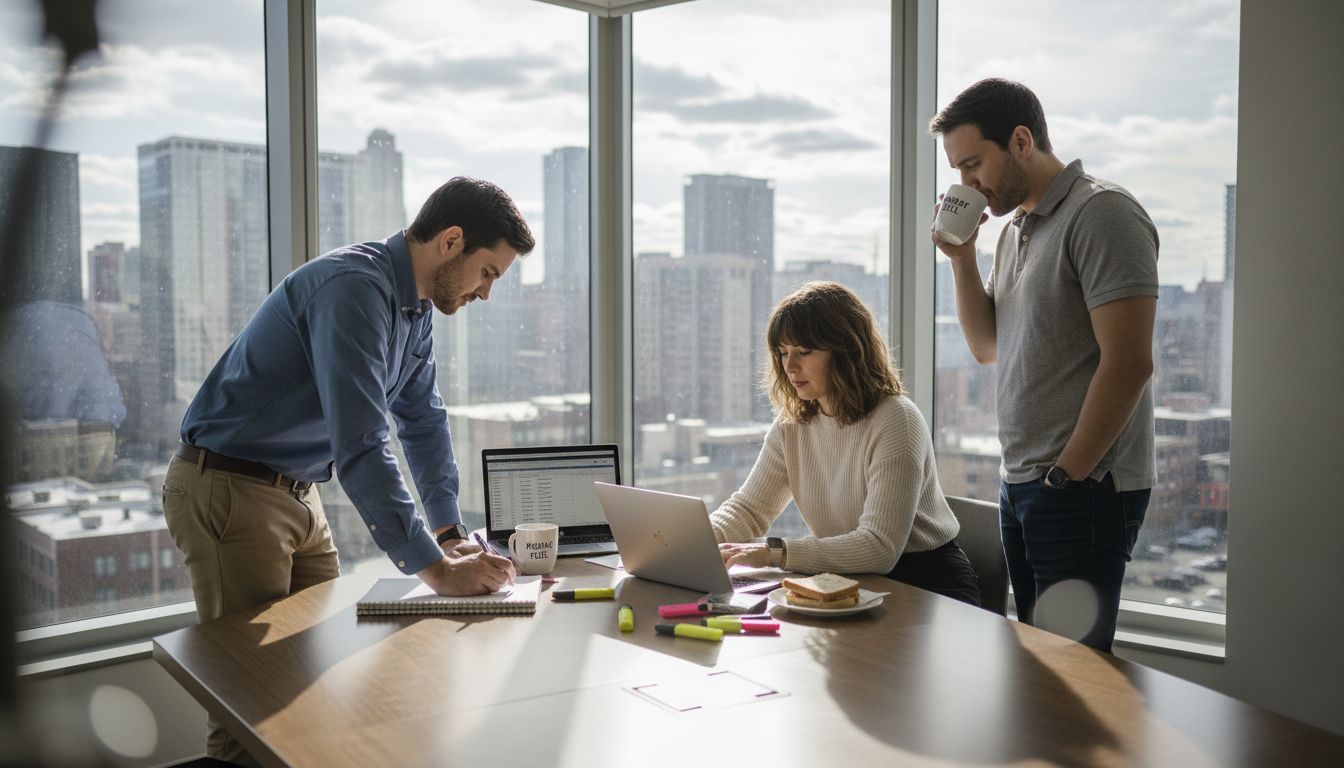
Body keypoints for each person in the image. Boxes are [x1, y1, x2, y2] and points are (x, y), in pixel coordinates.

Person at [163, 176, 533, 764]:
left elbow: (423, 422)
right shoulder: (354, 290)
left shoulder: (413, 310)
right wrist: (437, 573)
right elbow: (362, 442)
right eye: (487, 272)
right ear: (452, 241)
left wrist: (449, 534)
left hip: (298, 492)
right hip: (232, 489)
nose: (486, 293)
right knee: (249, 707)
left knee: (323, 686)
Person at [928, 78, 1158, 652]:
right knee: (1037, 665)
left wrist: (1067, 476)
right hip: (1023, 482)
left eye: (974, 163)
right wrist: (962, 259)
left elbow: (1129, 364)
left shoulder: (1102, 213)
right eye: (958, 170)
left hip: (1081, 487)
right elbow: (986, 347)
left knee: (1074, 669)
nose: (967, 184)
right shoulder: (1014, 234)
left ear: (1022, 140)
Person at [711, 281, 981, 606]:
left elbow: (878, 548)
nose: (789, 366)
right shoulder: (792, 425)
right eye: (783, 353)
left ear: (845, 350)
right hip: (845, 583)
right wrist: (688, 542)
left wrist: (773, 552)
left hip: (927, 588)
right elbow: (750, 509)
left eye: (804, 352)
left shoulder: (895, 419)